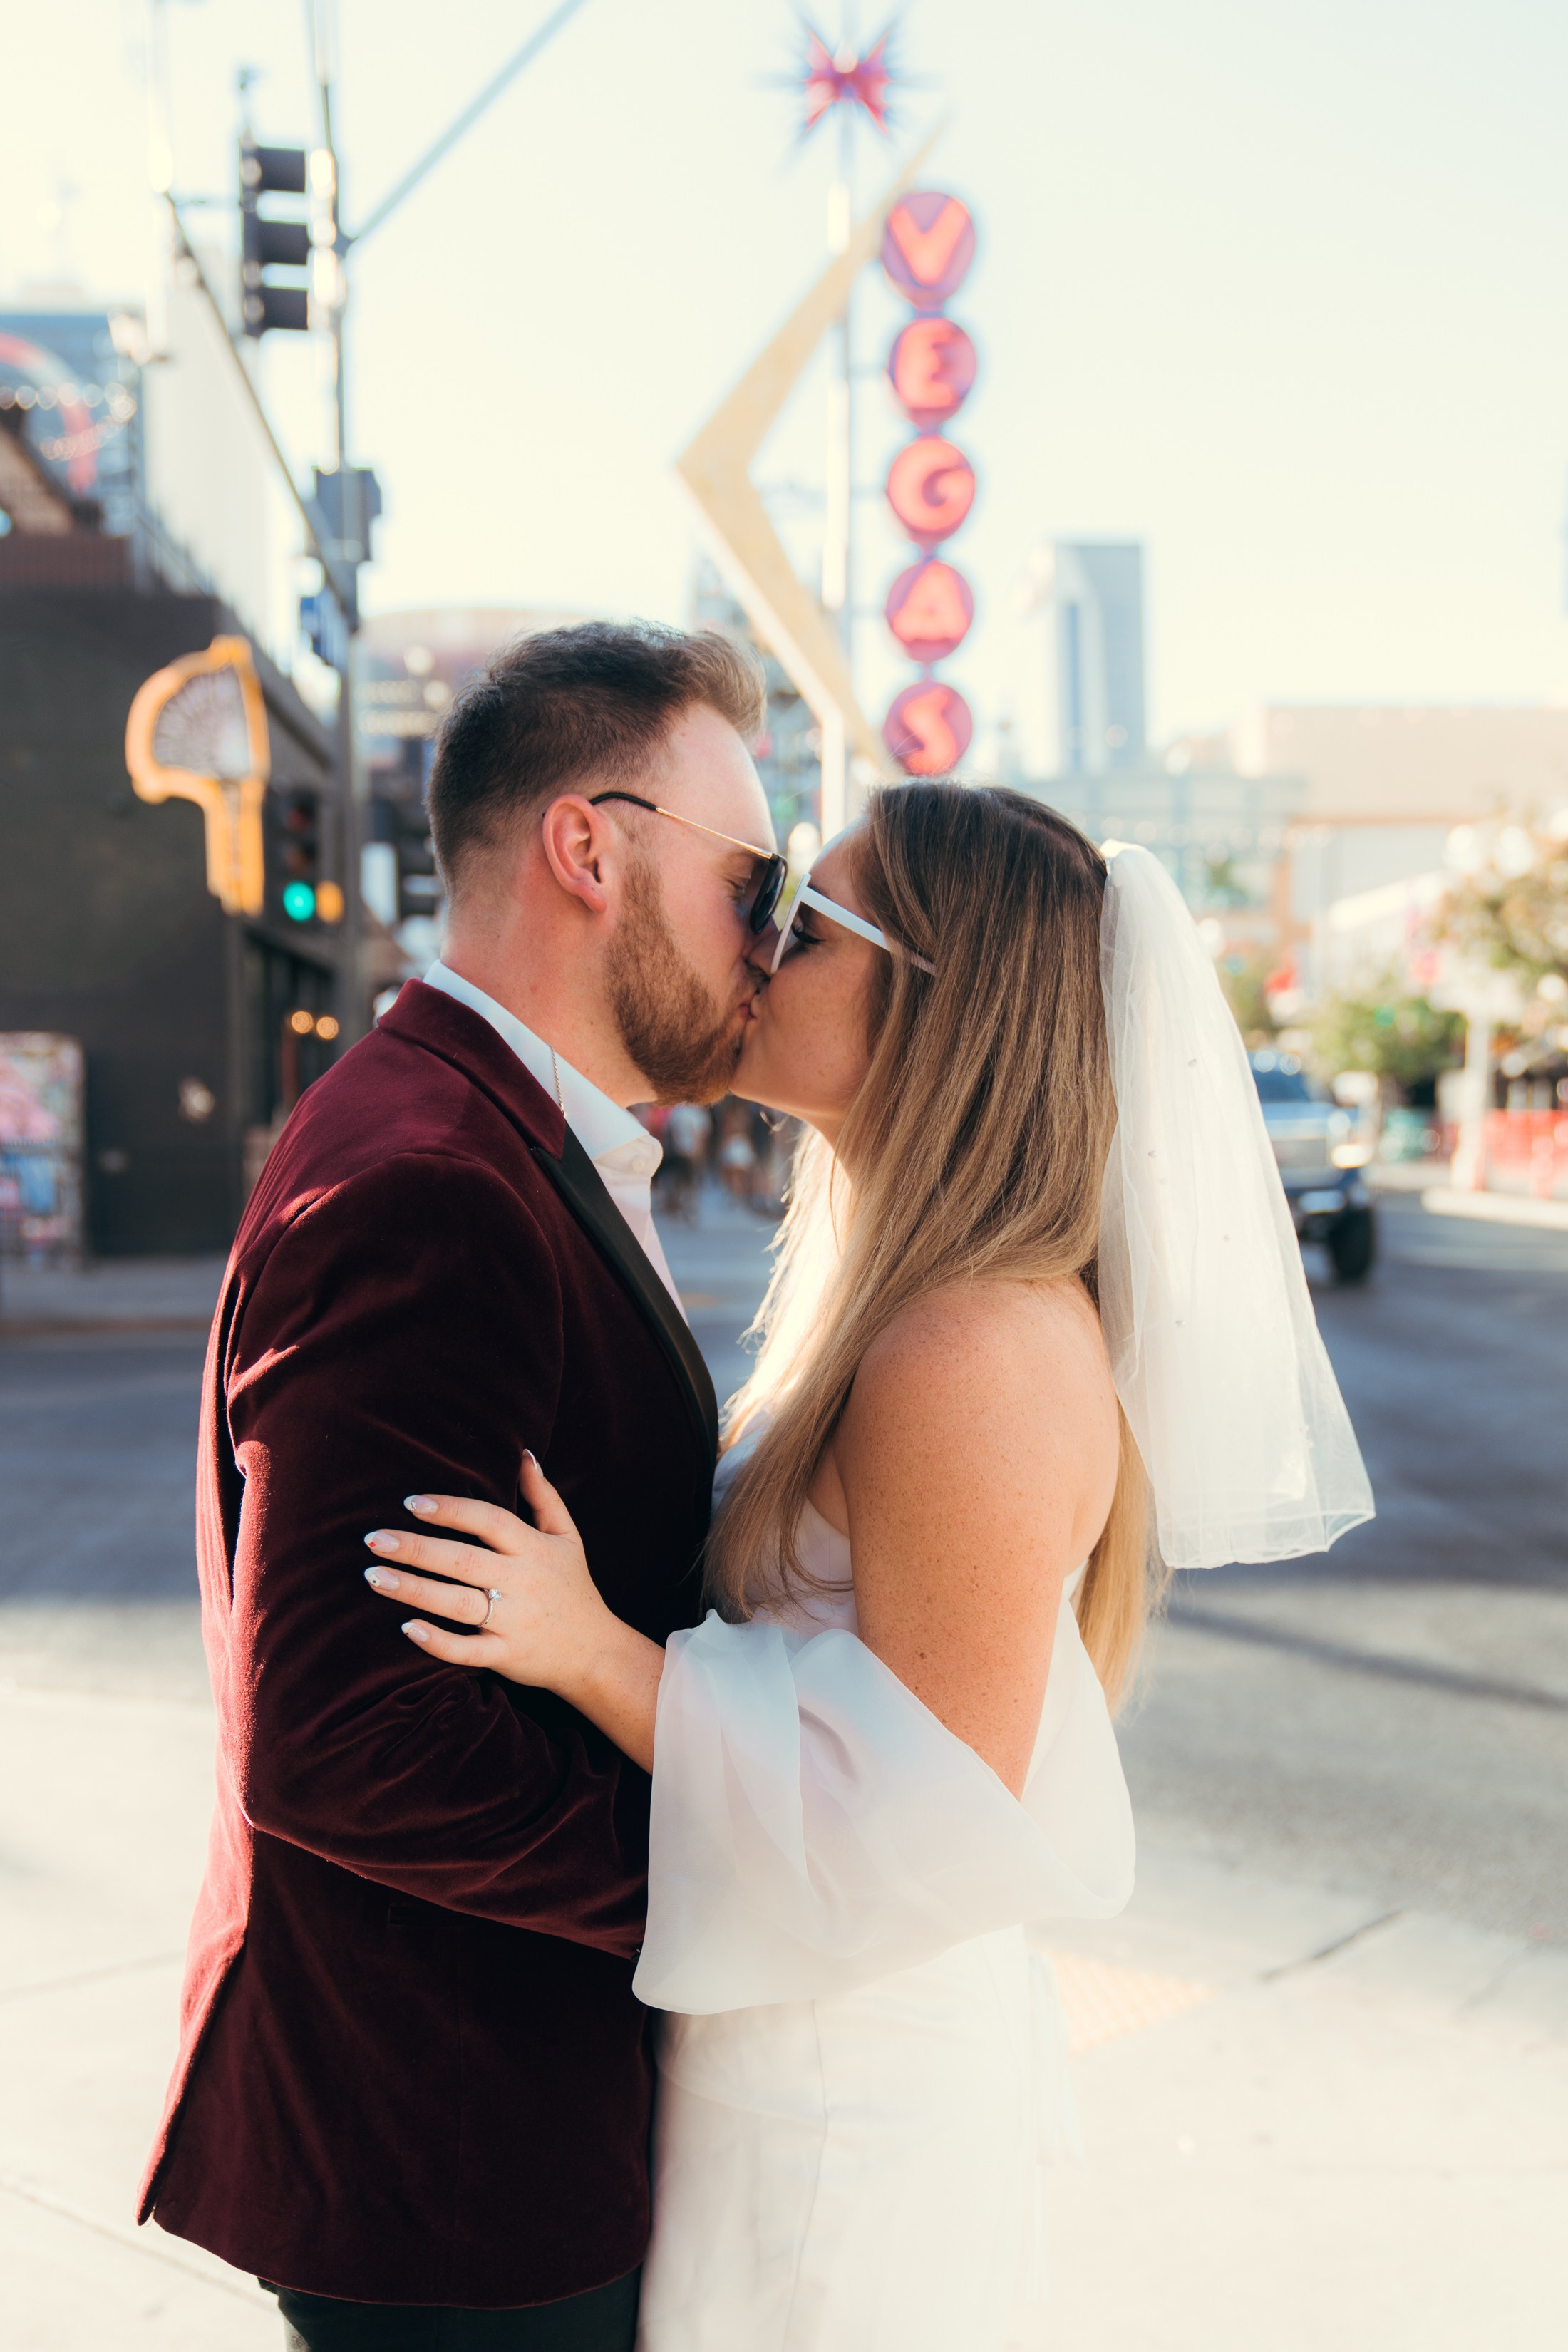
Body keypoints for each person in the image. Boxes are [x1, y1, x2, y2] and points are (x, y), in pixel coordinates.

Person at [359, 784, 1373, 2351]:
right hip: (795, 2037)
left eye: (805, 926)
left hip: (849, 2100)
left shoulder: (972, 1342)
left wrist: (588, 1651)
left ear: (940, 1008)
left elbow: (927, 1801)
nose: (756, 953)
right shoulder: (913, 1301)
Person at [138, 621, 794, 2350]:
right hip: (452, 2168)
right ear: (592, 847)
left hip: (467, 2134)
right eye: (753, 878)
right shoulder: (431, 1178)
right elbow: (345, 1738)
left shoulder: (474, 1126)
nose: (770, 940)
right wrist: (723, 1894)